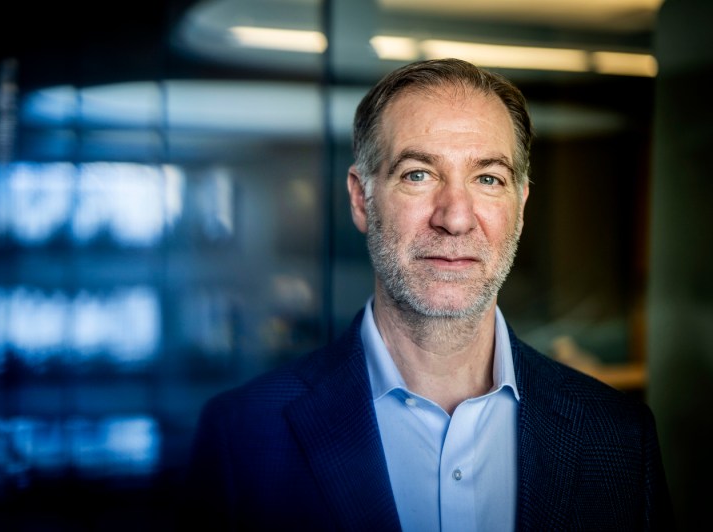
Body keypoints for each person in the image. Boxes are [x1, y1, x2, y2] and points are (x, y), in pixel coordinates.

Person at [181, 58, 673, 531]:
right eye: (418, 174)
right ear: (361, 198)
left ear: (520, 207)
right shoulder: (242, 436)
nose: (455, 218)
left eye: (488, 178)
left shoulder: (620, 437)